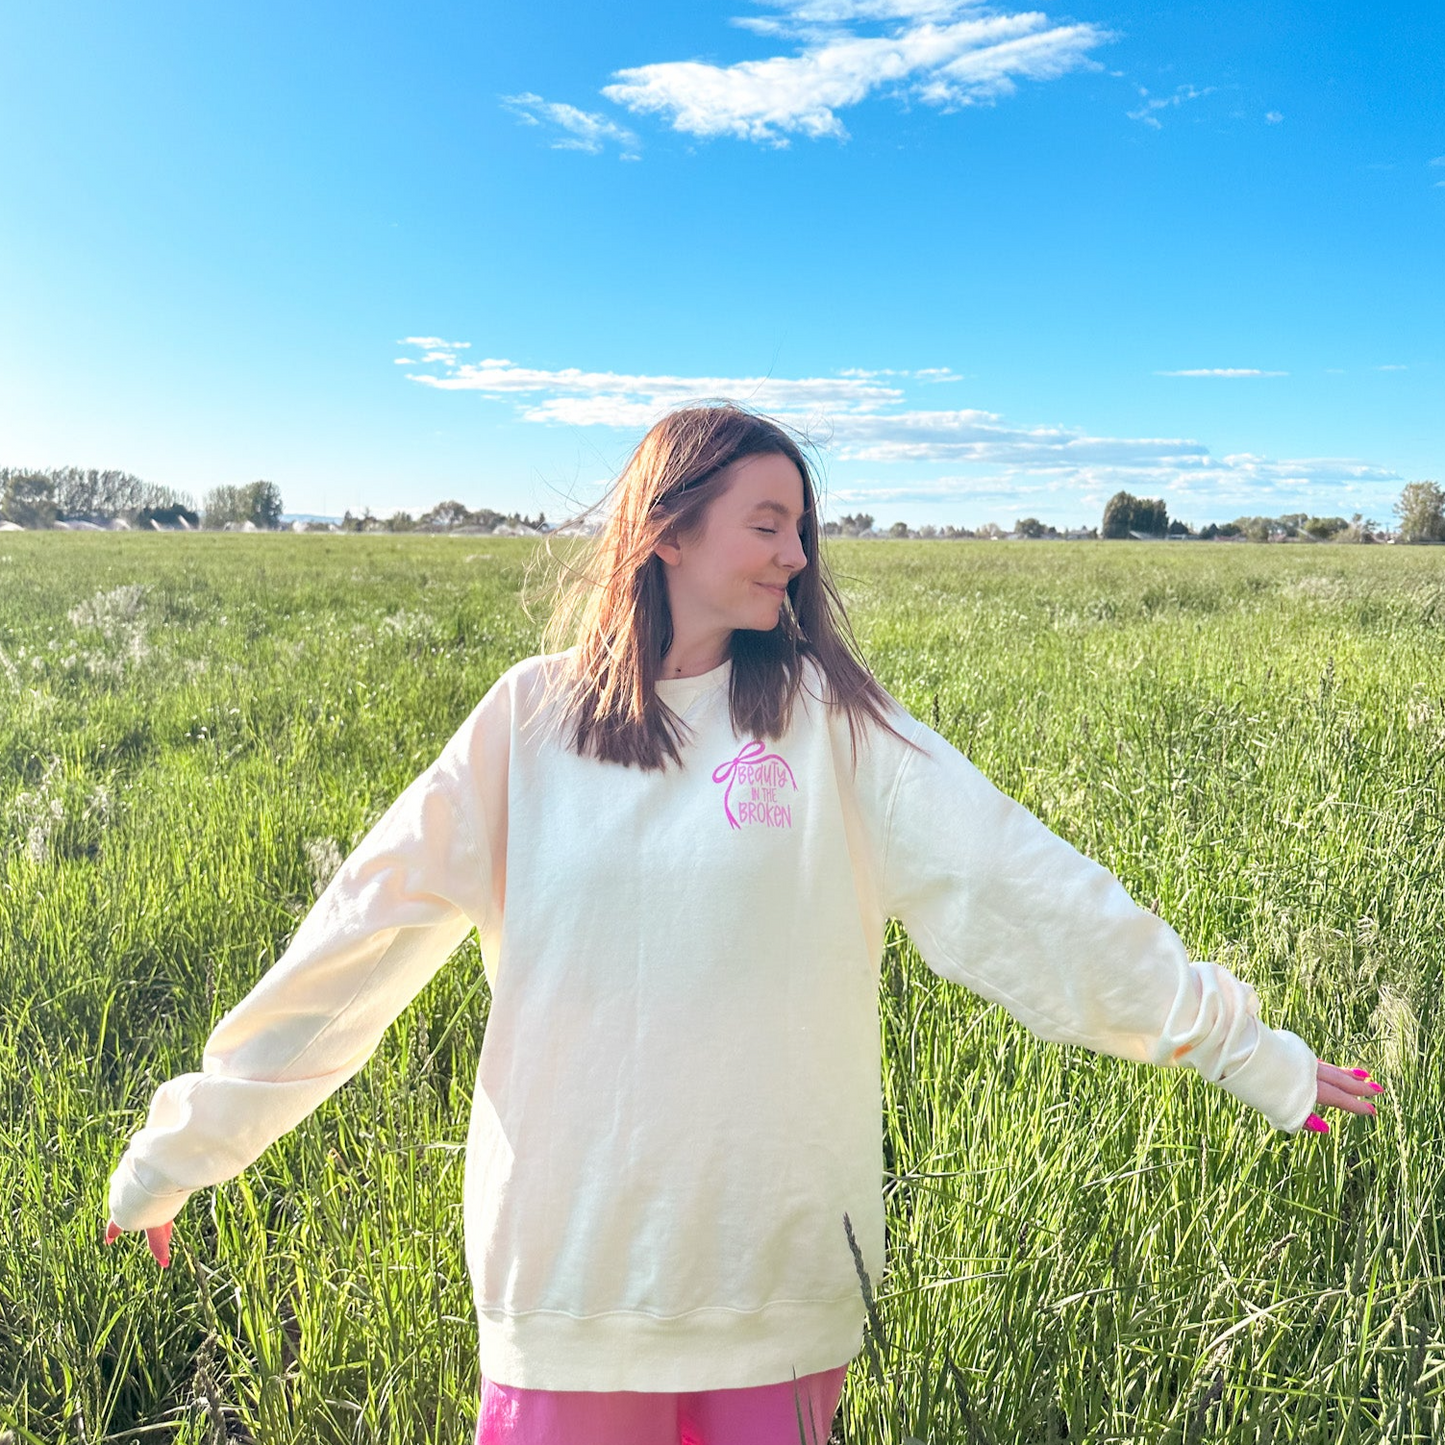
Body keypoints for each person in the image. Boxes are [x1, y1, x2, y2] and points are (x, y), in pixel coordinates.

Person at [104, 402, 1383, 1445]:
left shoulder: (830, 726)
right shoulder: (526, 721)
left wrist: (1239, 1043)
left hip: (773, 1274)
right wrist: (189, 1141)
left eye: (801, 528)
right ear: (666, 528)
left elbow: (1022, 886)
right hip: (574, 1275)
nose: (794, 554)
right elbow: (355, 941)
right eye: (766, 522)